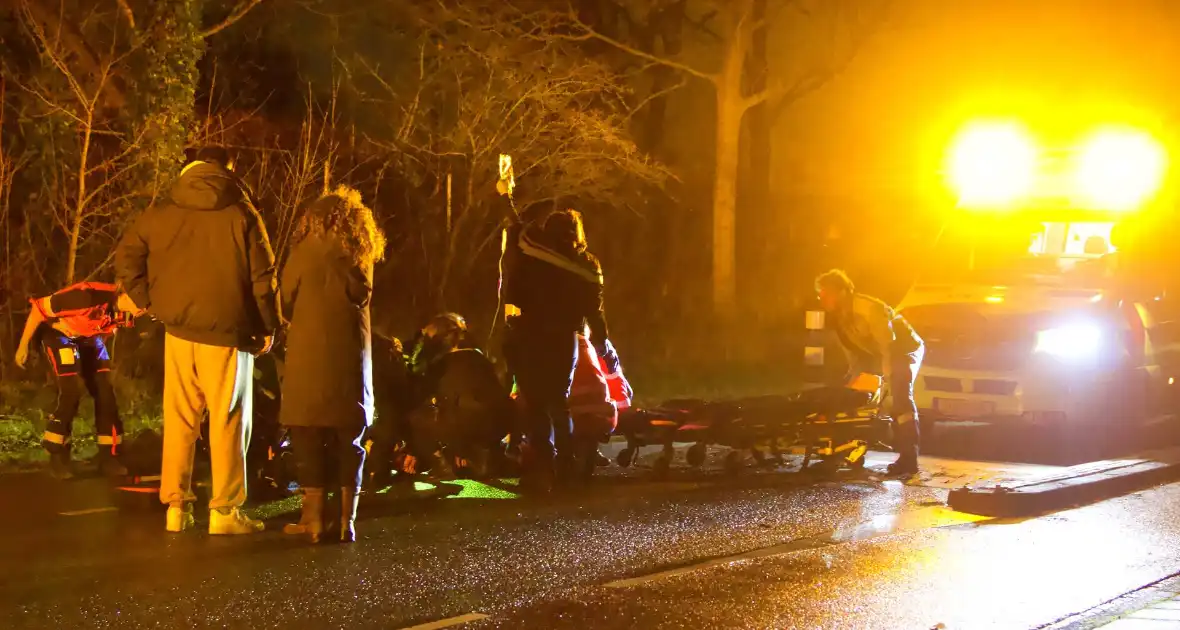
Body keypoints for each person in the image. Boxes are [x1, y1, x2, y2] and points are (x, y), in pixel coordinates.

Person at [114, 145, 279, 535]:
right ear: (228, 167)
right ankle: (224, 513)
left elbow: (127, 256)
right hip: (227, 333)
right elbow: (263, 277)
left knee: (180, 421)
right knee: (228, 422)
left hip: (177, 332)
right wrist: (269, 326)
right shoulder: (241, 211)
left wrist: (147, 301)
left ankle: (176, 508)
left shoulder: (163, 209)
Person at [280, 185, 385, 544]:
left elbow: (284, 302)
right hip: (351, 360)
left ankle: (312, 521)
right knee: (349, 440)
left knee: (307, 437)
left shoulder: (302, 254)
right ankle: (346, 521)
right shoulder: (360, 256)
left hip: (309, 355)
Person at [503, 208, 611, 493]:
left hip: (530, 334)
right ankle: (567, 464)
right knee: (558, 402)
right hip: (564, 340)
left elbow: (512, 291)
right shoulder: (586, 265)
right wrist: (603, 343)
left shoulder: (532, 254)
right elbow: (594, 311)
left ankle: (544, 469)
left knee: (536, 405)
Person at [13, 281, 143, 479]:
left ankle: (109, 456)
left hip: (89, 338)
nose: (141, 310)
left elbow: (108, 329)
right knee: (72, 390)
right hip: (59, 334)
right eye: (139, 304)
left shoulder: (129, 311)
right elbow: (38, 309)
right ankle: (57, 453)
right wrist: (23, 346)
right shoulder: (87, 297)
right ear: (124, 295)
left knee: (105, 393)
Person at [815, 269, 925, 475]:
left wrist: (888, 383)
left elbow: (888, 348)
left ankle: (909, 459)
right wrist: (851, 380)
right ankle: (844, 450)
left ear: (842, 292)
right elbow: (855, 356)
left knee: (900, 398)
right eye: (820, 293)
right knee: (849, 394)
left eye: (826, 293)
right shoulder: (838, 317)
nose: (822, 298)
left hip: (902, 348)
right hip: (873, 350)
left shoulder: (869, 309)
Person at [407, 313, 514, 478]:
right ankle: (488, 456)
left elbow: (422, 398)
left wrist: (458, 446)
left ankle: (441, 465)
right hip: (493, 427)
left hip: (466, 428)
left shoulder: (439, 366)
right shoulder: (478, 357)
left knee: (417, 417)